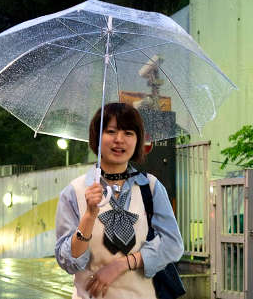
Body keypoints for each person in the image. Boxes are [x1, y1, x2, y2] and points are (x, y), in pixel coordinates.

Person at [55, 102, 184, 299]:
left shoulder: (150, 187)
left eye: (128, 133)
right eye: (111, 131)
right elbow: (69, 263)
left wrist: (121, 265)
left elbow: (172, 244)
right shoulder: (74, 192)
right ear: (96, 137)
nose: (119, 140)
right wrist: (89, 216)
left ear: (138, 140)